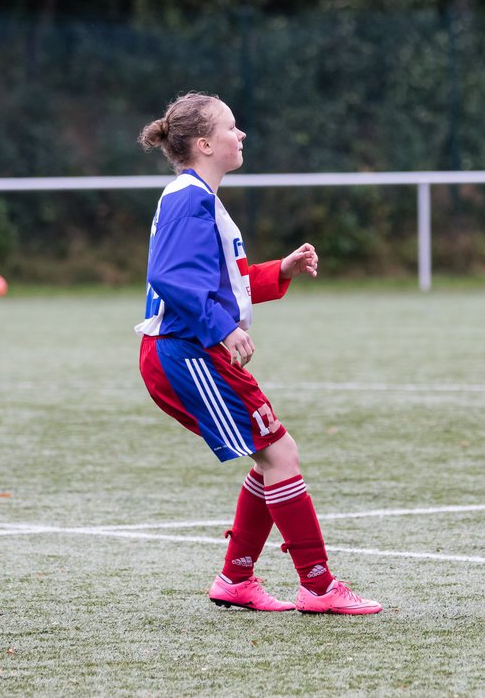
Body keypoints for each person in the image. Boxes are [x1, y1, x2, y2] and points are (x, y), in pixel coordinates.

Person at [135, 91, 381, 615]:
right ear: (204, 144)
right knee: (279, 453)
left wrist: (279, 272)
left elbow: (221, 281)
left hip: (191, 350)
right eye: (231, 127)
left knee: (272, 454)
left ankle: (236, 578)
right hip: (185, 352)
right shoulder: (190, 197)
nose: (240, 134)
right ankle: (317, 586)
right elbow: (170, 278)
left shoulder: (198, 196)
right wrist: (223, 329)